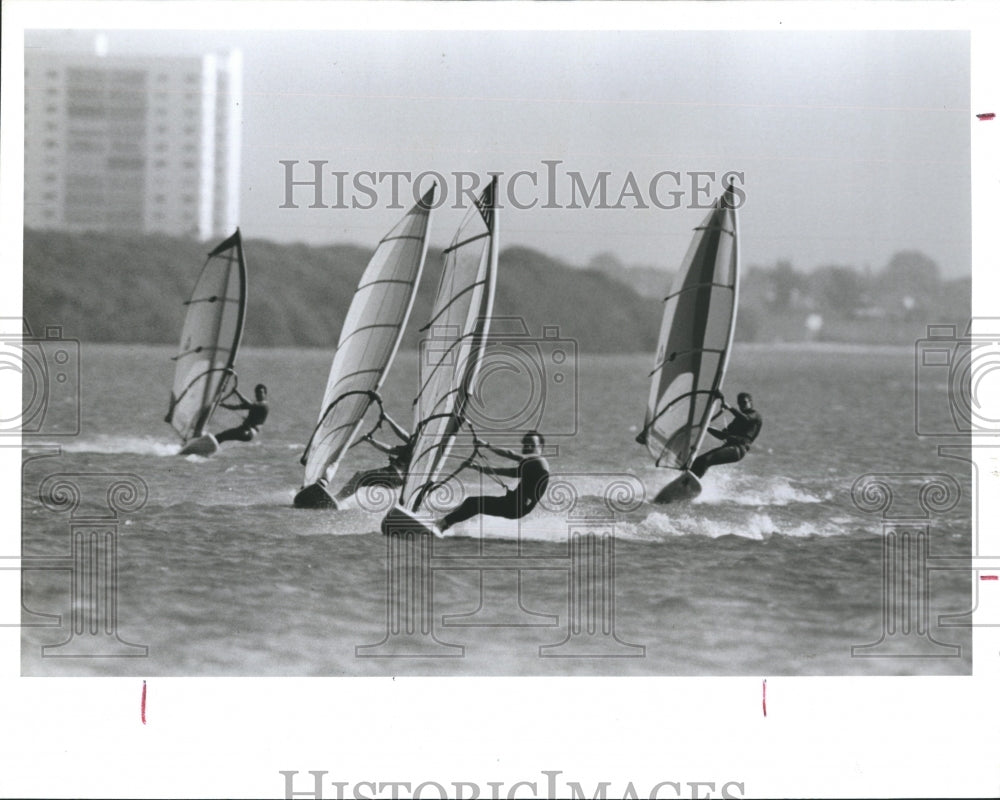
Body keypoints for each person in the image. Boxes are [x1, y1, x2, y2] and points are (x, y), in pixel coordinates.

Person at [437, 430, 550, 532]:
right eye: (525, 444)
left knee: (474, 504)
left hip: (516, 507)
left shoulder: (539, 460)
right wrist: (477, 467)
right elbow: (506, 472)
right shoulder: (530, 465)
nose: (528, 447)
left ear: (541, 447)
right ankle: (445, 522)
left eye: (532, 445)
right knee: (470, 502)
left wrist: (485, 445)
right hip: (513, 504)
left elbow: (511, 454)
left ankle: (442, 525)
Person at [332, 411, 414, 501]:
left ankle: (337, 499)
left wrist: (388, 419)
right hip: (396, 478)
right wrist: (371, 441)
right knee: (360, 478)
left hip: (394, 475)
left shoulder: (416, 444)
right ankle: (338, 499)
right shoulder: (413, 447)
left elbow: (402, 435)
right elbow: (389, 449)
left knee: (360, 476)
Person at [690, 391, 762, 478]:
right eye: (740, 403)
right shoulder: (736, 421)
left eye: (744, 402)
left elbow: (746, 419)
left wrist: (730, 408)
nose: (742, 405)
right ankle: (686, 479)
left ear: (750, 402)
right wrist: (706, 427)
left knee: (706, 459)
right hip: (729, 447)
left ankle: (688, 483)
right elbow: (722, 436)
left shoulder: (755, 415)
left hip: (738, 449)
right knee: (699, 460)